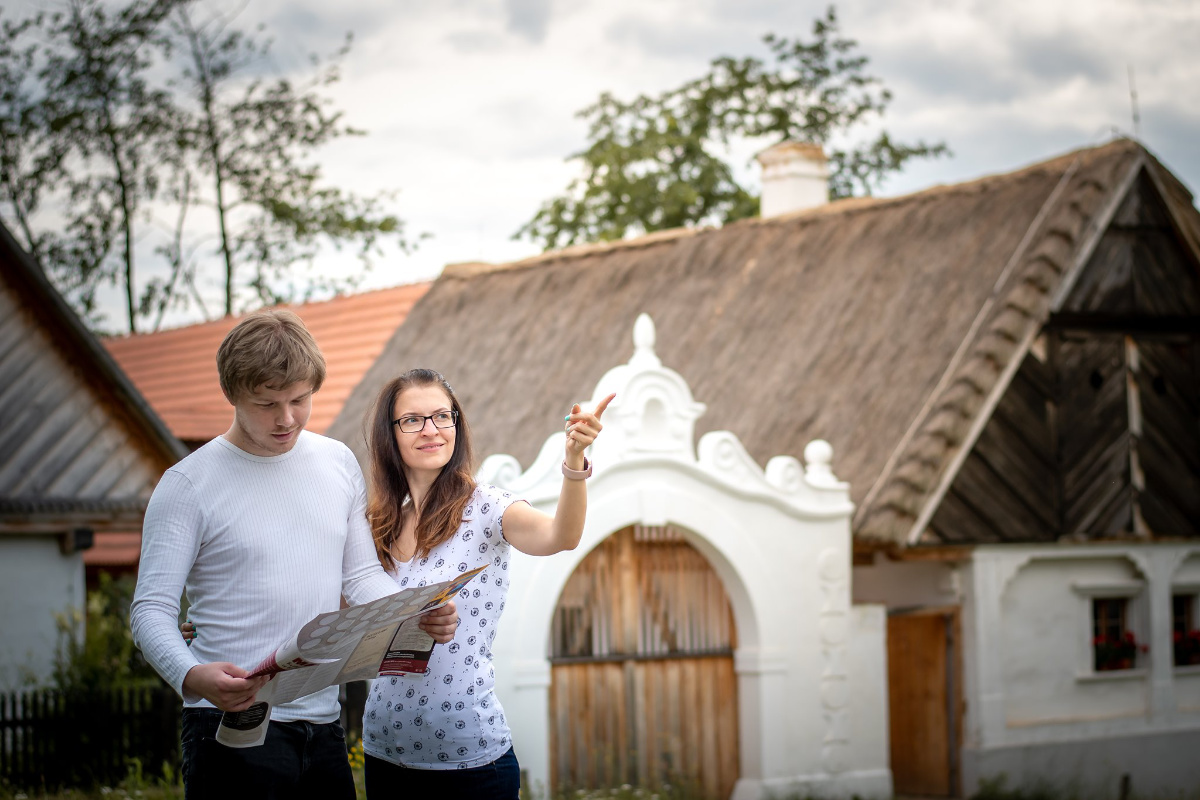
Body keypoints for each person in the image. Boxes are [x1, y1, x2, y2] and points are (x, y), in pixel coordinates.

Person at [130, 310, 458, 800]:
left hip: (323, 723)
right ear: (232, 394)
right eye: (267, 404)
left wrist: (414, 609)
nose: (286, 419)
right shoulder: (187, 485)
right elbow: (149, 611)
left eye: (300, 400)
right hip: (229, 727)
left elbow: (362, 575)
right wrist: (193, 674)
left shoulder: (336, 461)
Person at [358, 368, 613, 798]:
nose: (431, 430)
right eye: (413, 420)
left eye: (443, 416)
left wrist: (573, 462)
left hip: (469, 760)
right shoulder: (379, 523)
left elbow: (560, 536)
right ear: (391, 433)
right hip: (384, 752)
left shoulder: (487, 507)